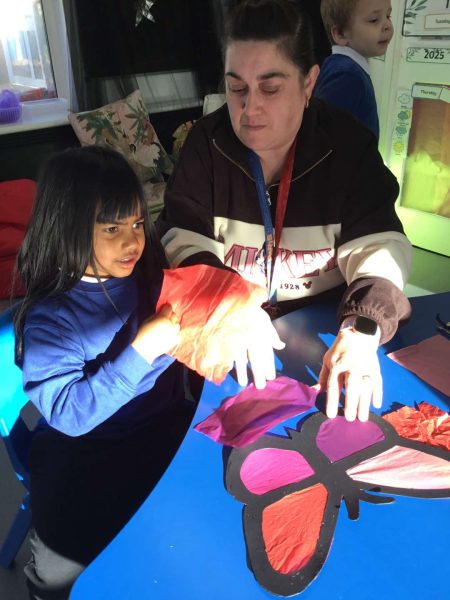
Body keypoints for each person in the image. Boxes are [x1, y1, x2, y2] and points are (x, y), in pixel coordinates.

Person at [156, 0, 412, 423]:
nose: (249, 108)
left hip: (325, 339)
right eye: (236, 88)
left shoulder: (348, 146)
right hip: (229, 341)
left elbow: (382, 245)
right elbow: (179, 238)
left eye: (270, 88)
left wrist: (363, 326)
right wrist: (228, 300)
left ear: (309, 82)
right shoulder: (206, 144)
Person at [13, 145, 192, 599]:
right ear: (67, 226)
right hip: (84, 461)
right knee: (61, 577)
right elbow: (70, 415)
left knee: (186, 542)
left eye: (137, 223)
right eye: (112, 227)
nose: (133, 241)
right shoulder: (51, 319)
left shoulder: (148, 278)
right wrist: (142, 349)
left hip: (156, 437)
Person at [313, 0, 394, 138]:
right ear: (340, 34)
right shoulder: (345, 75)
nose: (387, 25)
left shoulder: (347, 69)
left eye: (388, 16)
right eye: (374, 20)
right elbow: (324, 137)